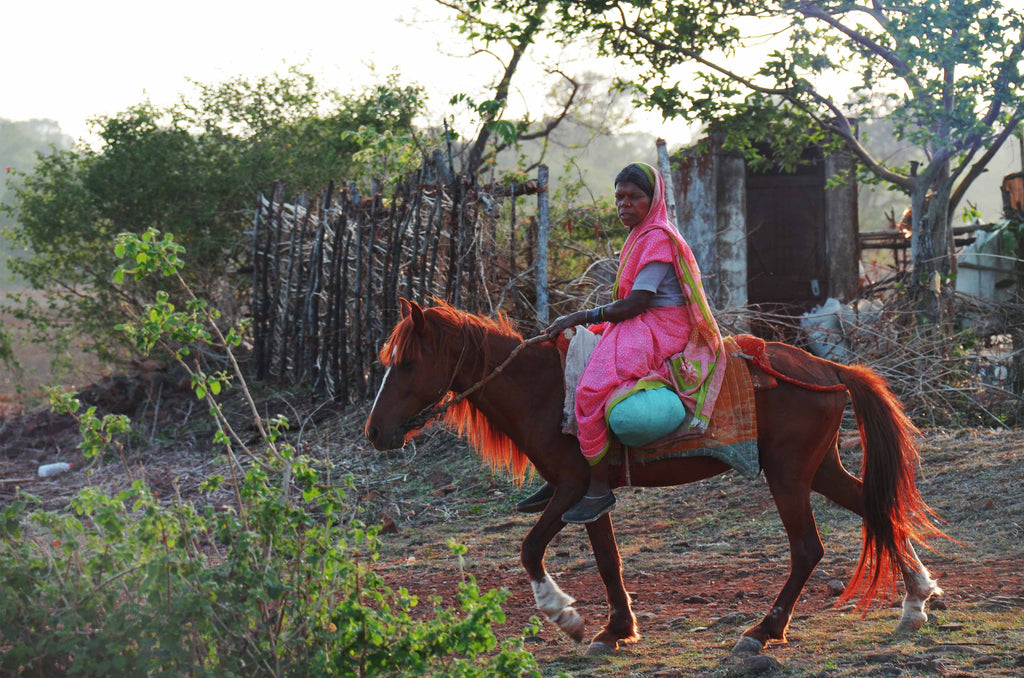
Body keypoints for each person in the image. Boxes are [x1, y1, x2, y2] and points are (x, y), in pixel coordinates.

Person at [517, 162, 726, 523]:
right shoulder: (640, 235)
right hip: (643, 322)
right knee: (572, 362)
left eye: (634, 197)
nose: (624, 205)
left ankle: (598, 488)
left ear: (653, 199)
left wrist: (578, 316)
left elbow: (636, 303)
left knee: (593, 387)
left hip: (663, 326)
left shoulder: (658, 237)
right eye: (619, 197)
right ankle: (565, 473)